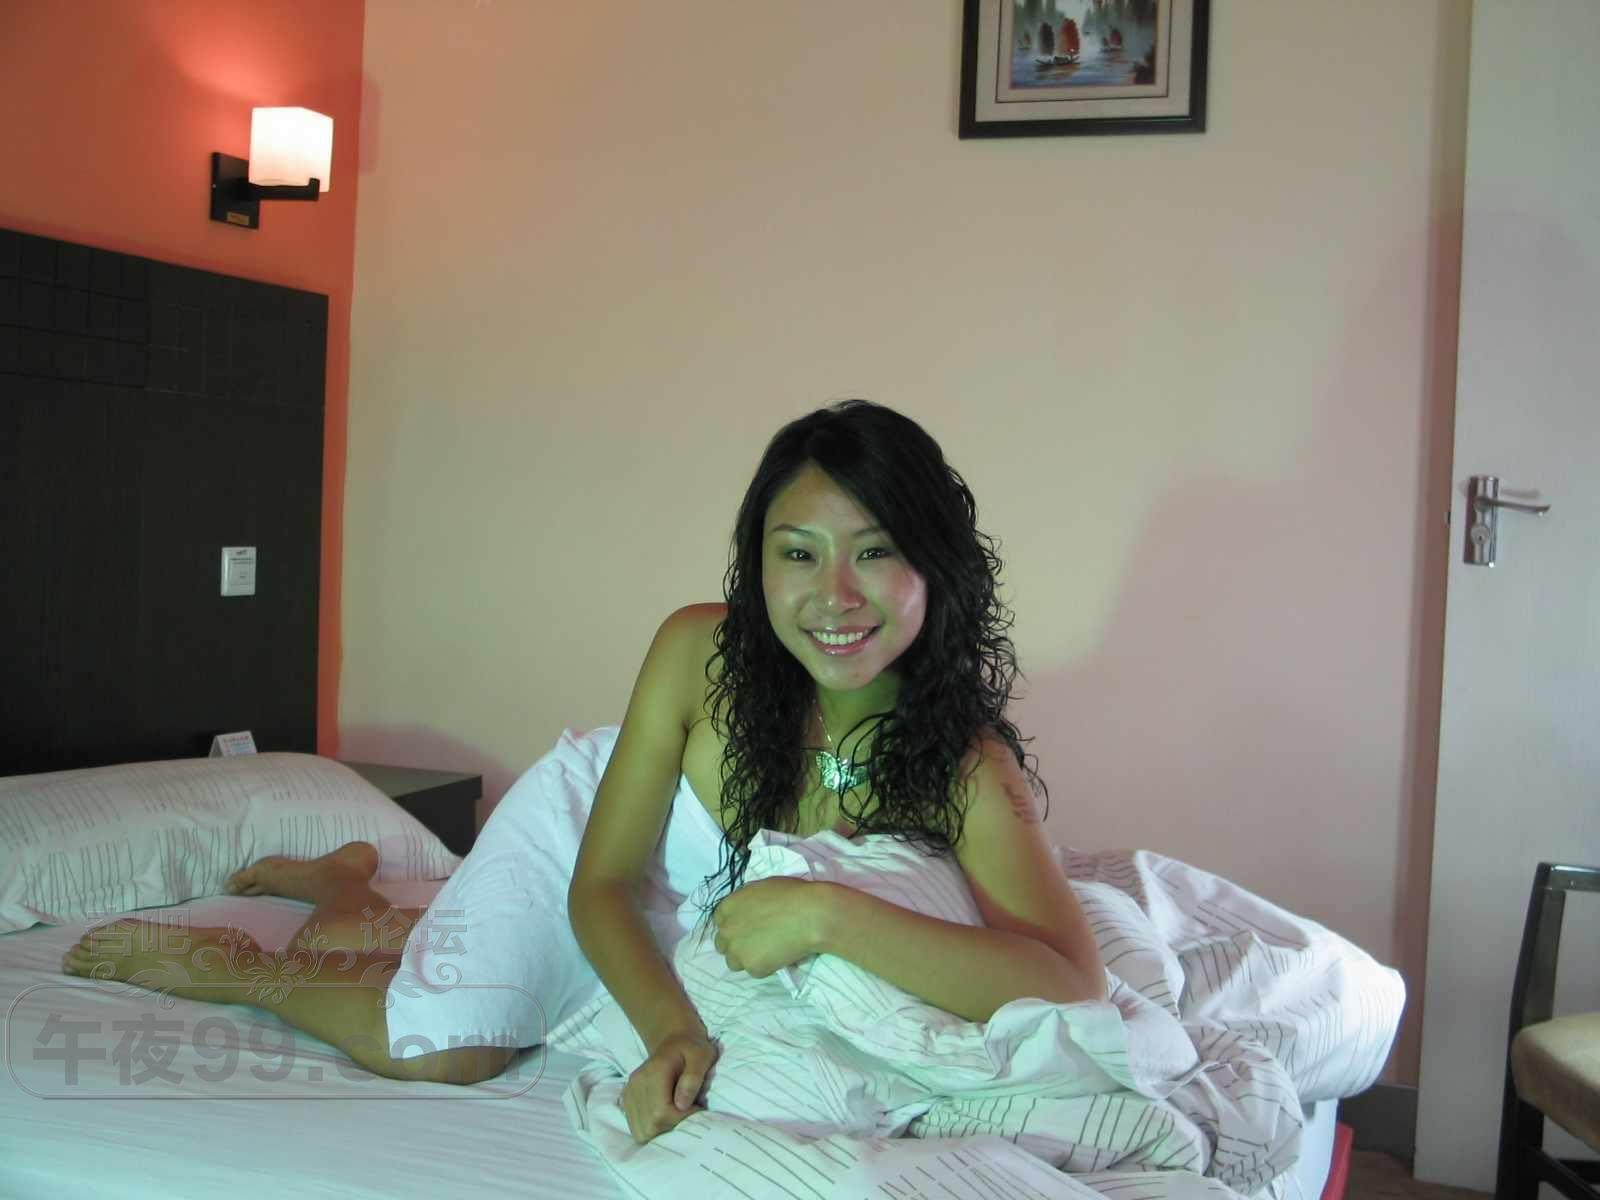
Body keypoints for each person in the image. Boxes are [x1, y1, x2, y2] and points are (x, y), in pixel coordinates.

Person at [62, 399, 1106, 1140]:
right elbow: (601, 884)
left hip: (714, 909)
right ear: (759, 564)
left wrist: (830, 915)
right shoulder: (698, 651)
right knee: (445, 1045)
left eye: (873, 551)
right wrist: (671, 1034)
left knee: (461, 969)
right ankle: (245, 964)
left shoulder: (962, 763)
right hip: (595, 833)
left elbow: (1069, 977)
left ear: (935, 566)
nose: (833, 596)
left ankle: (351, 892)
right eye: (798, 553)